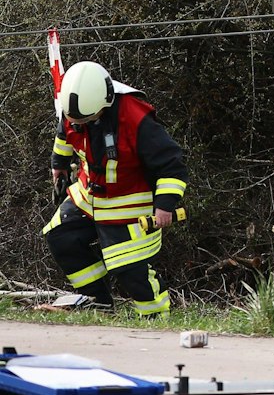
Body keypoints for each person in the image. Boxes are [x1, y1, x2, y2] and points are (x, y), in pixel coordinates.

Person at [42, 61, 189, 316]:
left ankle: (156, 317)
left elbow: (171, 165)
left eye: (87, 120)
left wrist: (165, 204)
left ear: (105, 103)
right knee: (61, 237)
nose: (80, 124)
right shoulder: (73, 110)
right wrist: (59, 165)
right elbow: (65, 133)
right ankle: (97, 303)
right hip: (87, 198)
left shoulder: (135, 119)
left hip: (129, 206)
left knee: (130, 269)